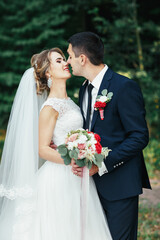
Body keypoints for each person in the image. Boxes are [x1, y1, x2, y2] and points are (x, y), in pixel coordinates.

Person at [0, 47, 112, 240]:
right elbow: (42, 149)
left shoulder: (70, 101)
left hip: (76, 175)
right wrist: (73, 159)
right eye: (58, 61)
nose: (66, 63)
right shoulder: (50, 107)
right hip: (60, 178)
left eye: (64, 59)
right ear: (48, 72)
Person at [67, 32, 151, 240]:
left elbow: (139, 136)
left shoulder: (124, 87)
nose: (68, 61)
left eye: (70, 56)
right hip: (92, 187)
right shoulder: (84, 89)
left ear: (83, 58)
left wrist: (102, 164)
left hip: (120, 185)